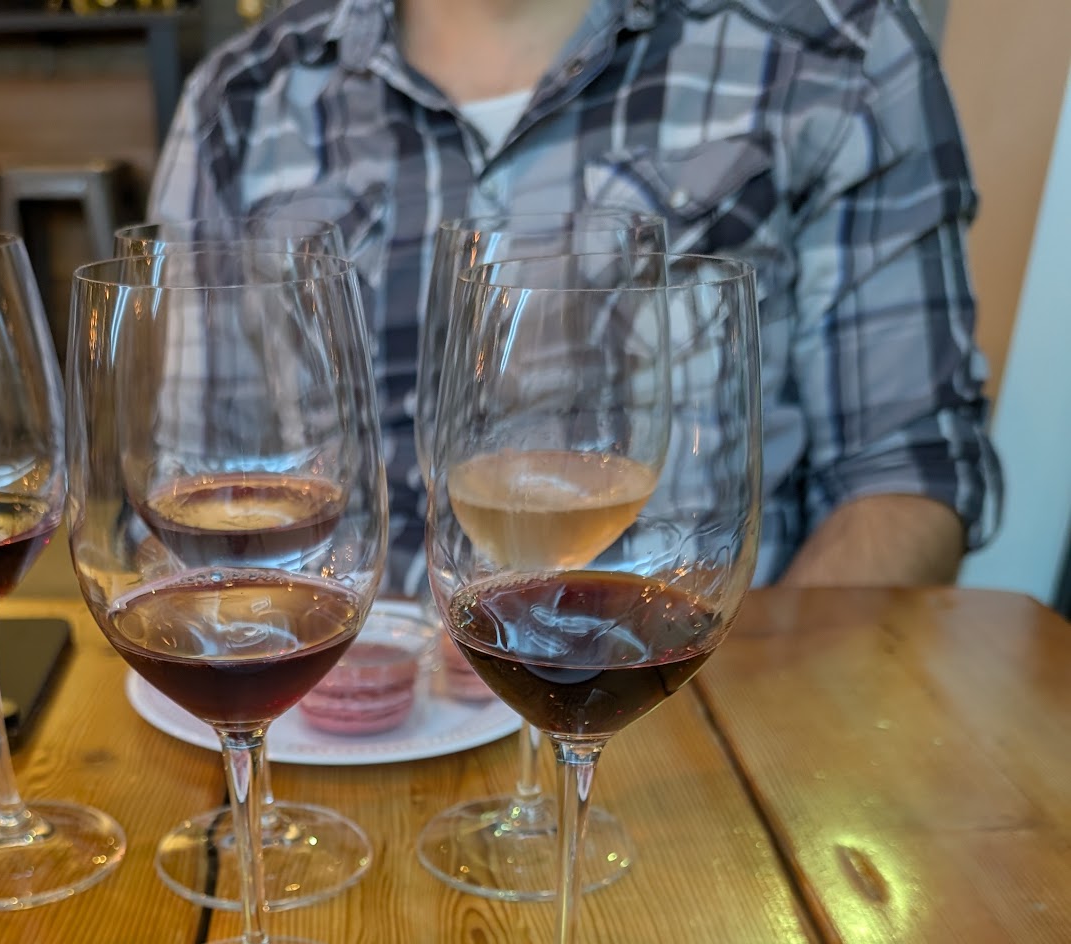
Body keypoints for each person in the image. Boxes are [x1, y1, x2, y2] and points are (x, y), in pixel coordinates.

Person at [150, 0, 1002, 594]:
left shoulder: (836, 55)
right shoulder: (240, 101)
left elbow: (906, 475)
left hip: (686, 719)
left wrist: (730, 731)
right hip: (343, 733)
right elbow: (193, 492)